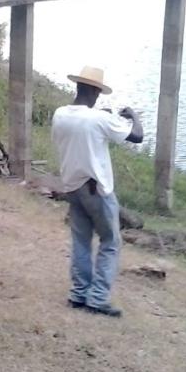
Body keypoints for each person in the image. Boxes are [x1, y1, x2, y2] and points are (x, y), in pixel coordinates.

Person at [51, 66, 144, 317]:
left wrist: (102, 117)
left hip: (71, 186)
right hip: (95, 189)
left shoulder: (60, 114)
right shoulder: (99, 119)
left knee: (81, 241)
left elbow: (83, 130)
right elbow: (137, 137)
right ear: (95, 91)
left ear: (78, 87)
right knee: (110, 242)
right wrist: (133, 116)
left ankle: (78, 293)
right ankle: (98, 298)